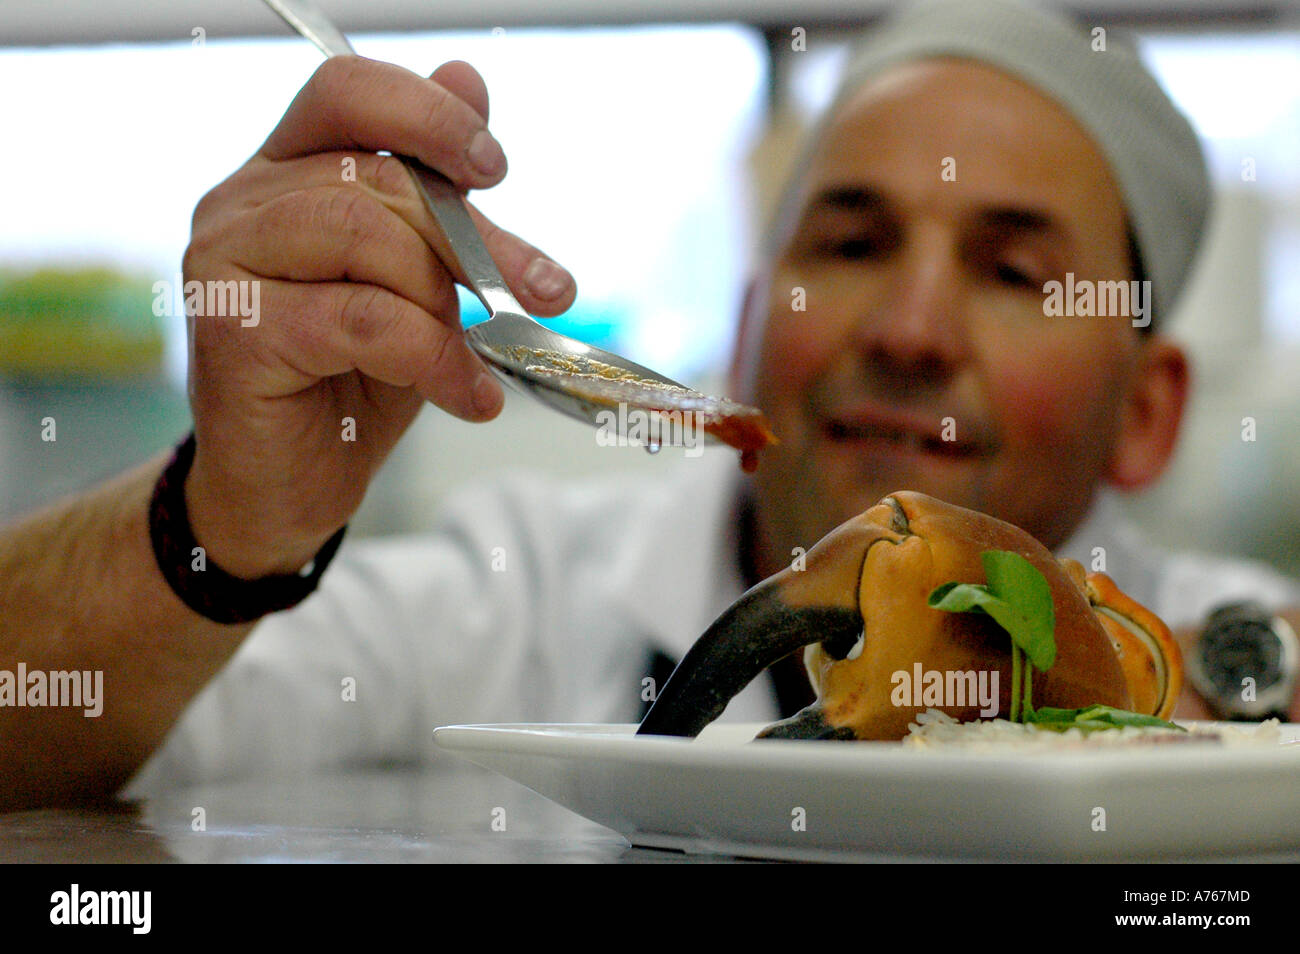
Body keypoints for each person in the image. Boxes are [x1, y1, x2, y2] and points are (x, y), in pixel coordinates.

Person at [1, 0, 1296, 809]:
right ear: (745, 329)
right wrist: (222, 531)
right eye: (848, 246)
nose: (907, 330)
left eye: (1015, 271)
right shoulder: (507, 605)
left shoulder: (1234, 663)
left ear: (1151, 409)